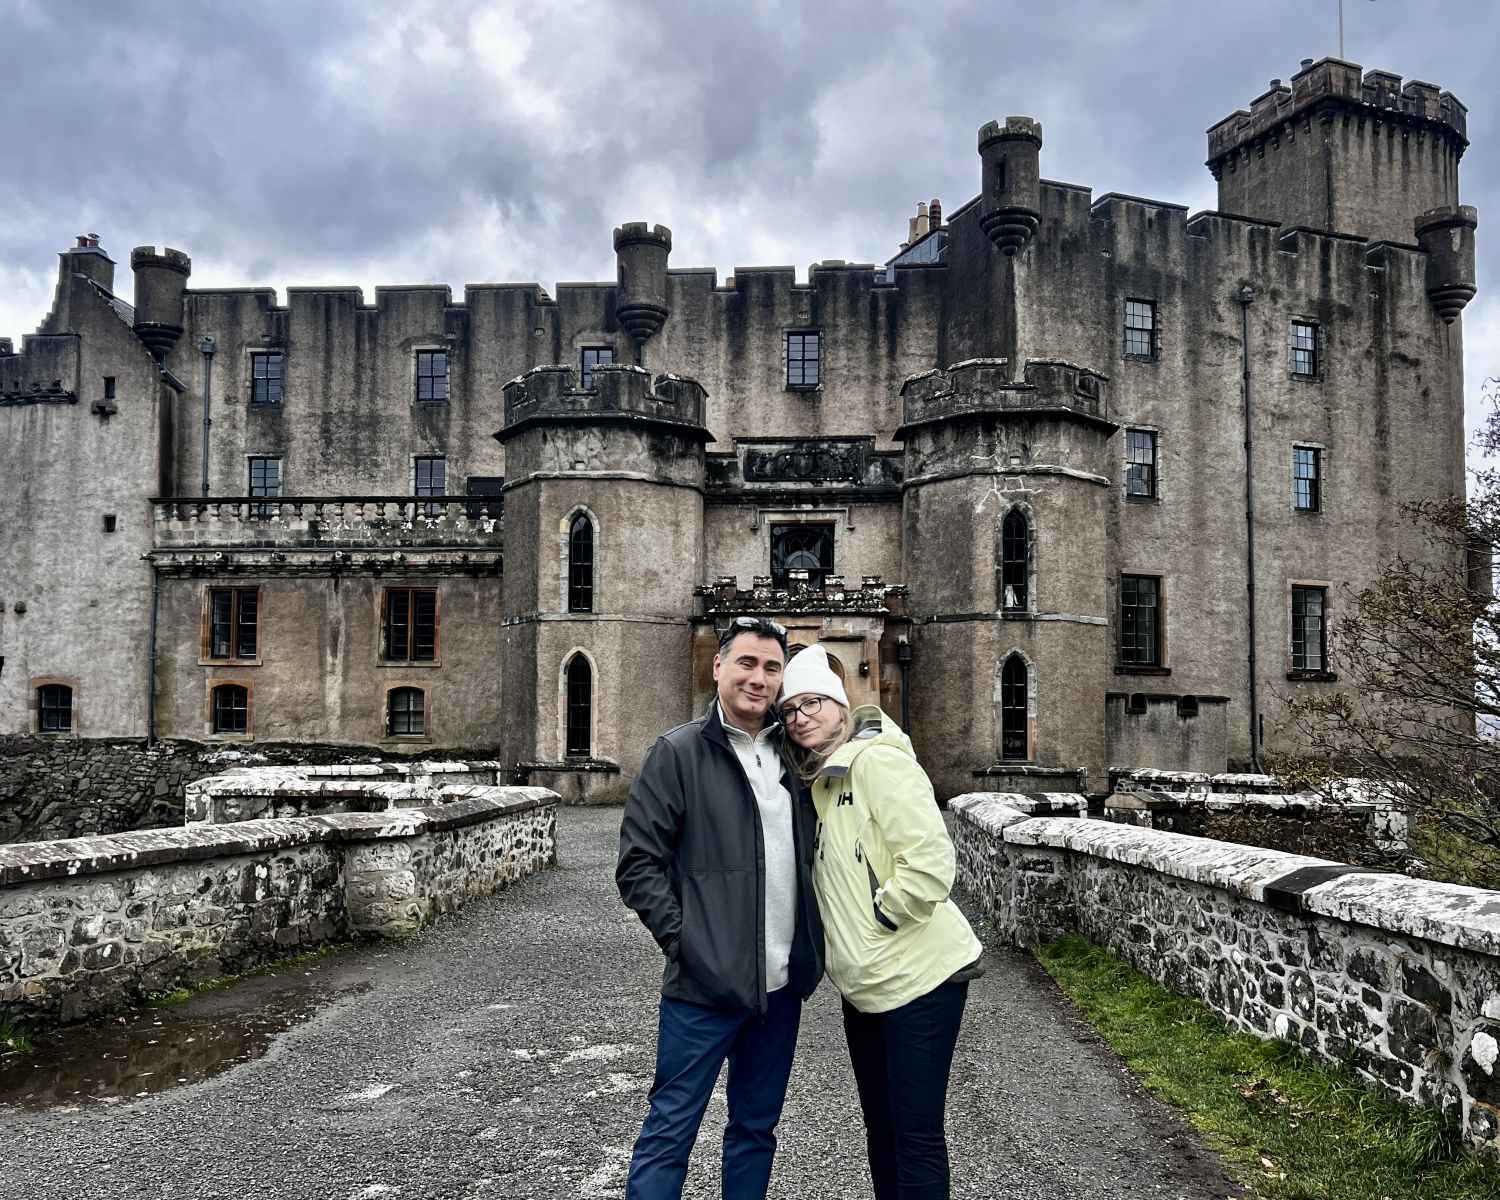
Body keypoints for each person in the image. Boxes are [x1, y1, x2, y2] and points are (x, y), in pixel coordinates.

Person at [616, 615, 824, 1200]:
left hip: (780, 990)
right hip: (703, 989)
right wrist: (689, 945)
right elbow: (638, 864)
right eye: (747, 663)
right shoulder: (678, 753)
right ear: (719, 667)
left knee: (755, 1133)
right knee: (670, 1132)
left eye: (772, 667)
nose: (759, 678)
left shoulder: (797, 759)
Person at [778, 644, 983, 1200]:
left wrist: (881, 923)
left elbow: (931, 864)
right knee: (882, 1131)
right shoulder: (824, 780)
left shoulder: (877, 761)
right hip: (865, 989)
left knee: (914, 1137)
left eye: (812, 702)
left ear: (841, 704)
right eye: (790, 709)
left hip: (918, 978)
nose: (801, 718)